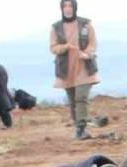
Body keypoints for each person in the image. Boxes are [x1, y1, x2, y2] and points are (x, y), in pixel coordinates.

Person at [51, 0, 100, 140]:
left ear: (74, 8)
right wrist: (64, 47)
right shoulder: (56, 28)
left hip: (84, 67)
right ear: (61, 9)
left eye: (70, 6)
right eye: (64, 6)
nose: (67, 9)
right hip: (67, 69)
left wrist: (86, 54)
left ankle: (81, 127)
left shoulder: (86, 24)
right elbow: (53, 48)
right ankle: (78, 126)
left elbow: (93, 43)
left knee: (81, 97)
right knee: (72, 100)